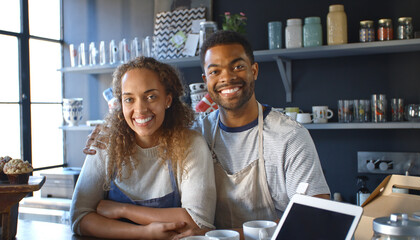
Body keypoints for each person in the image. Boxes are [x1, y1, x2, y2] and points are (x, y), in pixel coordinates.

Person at [84, 31, 330, 233]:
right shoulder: (197, 131)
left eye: (237, 66)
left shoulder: (290, 137)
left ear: (253, 70)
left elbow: (314, 218)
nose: (227, 78)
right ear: (206, 79)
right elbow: (151, 127)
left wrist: (223, 237)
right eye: (215, 71)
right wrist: (111, 130)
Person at [71, 56, 216, 239]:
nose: (140, 109)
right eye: (129, 99)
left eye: (151, 97)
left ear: (168, 100)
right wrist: (145, 233)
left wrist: (122, 210)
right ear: (121, 104)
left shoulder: (190, 144)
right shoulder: (105, 144)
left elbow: (198, 222)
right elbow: (79, 217)